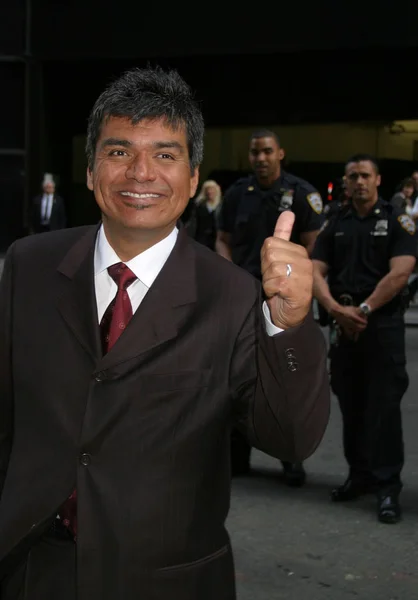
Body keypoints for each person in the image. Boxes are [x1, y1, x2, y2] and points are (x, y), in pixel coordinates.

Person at [0, 67, 330, 600]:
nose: (140, 172)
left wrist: (289, 327)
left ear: (194, 177)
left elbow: (290, 438)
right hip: (33, 569)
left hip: (167, 582)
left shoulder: (233, 295)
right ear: (90, 170)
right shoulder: (29, 266)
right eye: (118, 152)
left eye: (165, 154)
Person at [312, 153, 416, 525]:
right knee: (352, 407)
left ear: (377, 180)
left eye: (364, 175)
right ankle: (360, 476)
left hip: (380, 328)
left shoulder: (396, 220)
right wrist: (334, 309)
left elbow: (401, 272)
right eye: (352, 175)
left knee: (384, 411)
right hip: (344, 328)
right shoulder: (334, 221)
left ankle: (388, 488)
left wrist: (365, 310)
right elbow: (315, 269)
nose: (357, 181)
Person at [216, 129, 323, 486]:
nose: (260, 158)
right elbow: (223, 239)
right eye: (254, 152)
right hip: (241, 301)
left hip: (281, 304)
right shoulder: (236, 195)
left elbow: (313, 249)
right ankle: (238, 457)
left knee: (282, 376)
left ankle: (289, 458)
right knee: (234, 377)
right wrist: (229, 275)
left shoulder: (302, 195)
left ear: (281, 154)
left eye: (266, 152)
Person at [186, 179, 222, 250]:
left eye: (212, 189)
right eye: (207, 190)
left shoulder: (221, 206)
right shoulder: (199, 206)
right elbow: (193, 223)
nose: (209, 192)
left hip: (216, 240)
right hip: (201, 239)